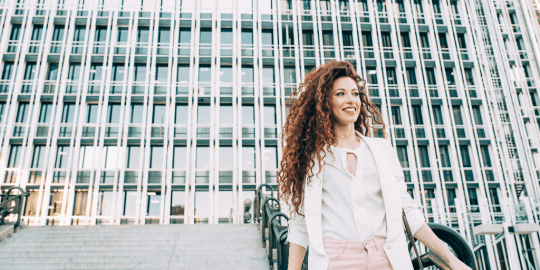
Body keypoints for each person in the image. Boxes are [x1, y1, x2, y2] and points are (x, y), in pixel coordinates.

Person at [278, 61, 472, 270]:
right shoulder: (311, 158)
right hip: (335, 260)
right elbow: (300, 224)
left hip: (386, 258)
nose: (351, 100)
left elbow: (407, 209)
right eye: (340, 94)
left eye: (355, 93)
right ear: (325, 102)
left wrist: (451, 260)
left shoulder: (382, 150)